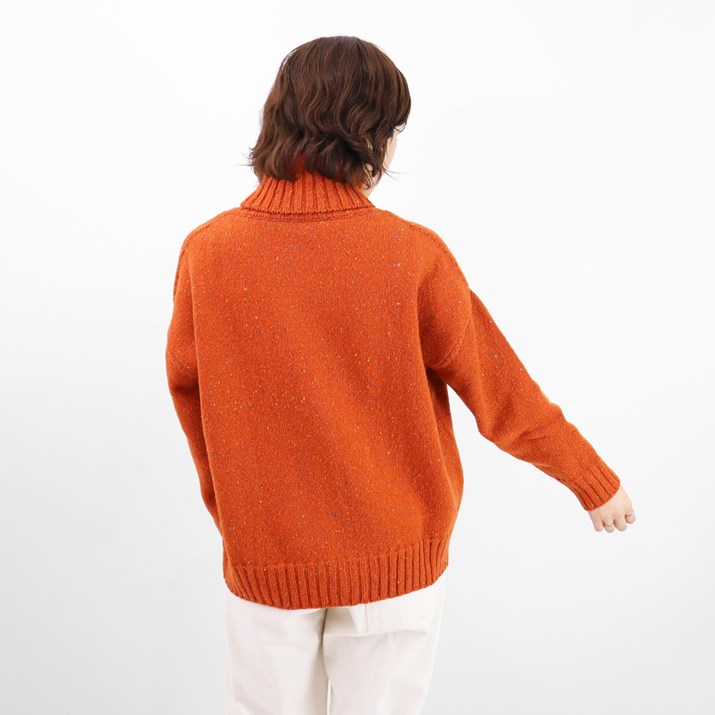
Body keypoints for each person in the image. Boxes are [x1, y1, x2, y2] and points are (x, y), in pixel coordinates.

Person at [165, 35, 636, 715]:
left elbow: (190, 395)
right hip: (396, 558)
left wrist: (238, 512)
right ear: (370, 135)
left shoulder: (208, 252)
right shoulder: (410, 254)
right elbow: (499, 390)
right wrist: (591, 479)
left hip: (264, 553)